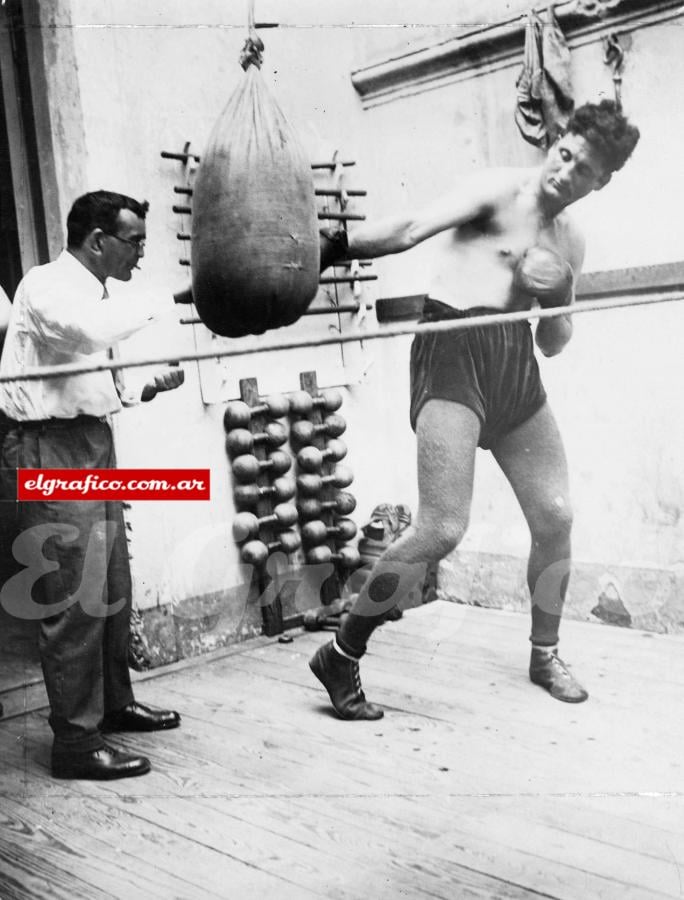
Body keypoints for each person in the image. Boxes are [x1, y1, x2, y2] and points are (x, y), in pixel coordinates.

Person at [311, 99, 640, 719]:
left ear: (601, 181)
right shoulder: (496, 192)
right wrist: (334, 246)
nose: (565, 172)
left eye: (584, 170)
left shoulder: (571, 239)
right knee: (441, 528)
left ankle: (545, 653)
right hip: (453, 349)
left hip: (515, 364)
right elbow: (410, 227)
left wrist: (563, 292)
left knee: (556, 514)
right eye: (564, 154)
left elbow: (552, 342)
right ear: (557, 140)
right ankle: (342, 654)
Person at [0, 191, 184, 777]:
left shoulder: (97, 294)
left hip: (90, 441)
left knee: (111, 580)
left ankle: (113, 704)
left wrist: (145, 386)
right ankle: (76, 743)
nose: (140, 255)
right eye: (135, 242)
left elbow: (86, 382)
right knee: (75, 594)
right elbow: (86, 332)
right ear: (98, 240)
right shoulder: (46, 285)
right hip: (48, 450)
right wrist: (176, 294)